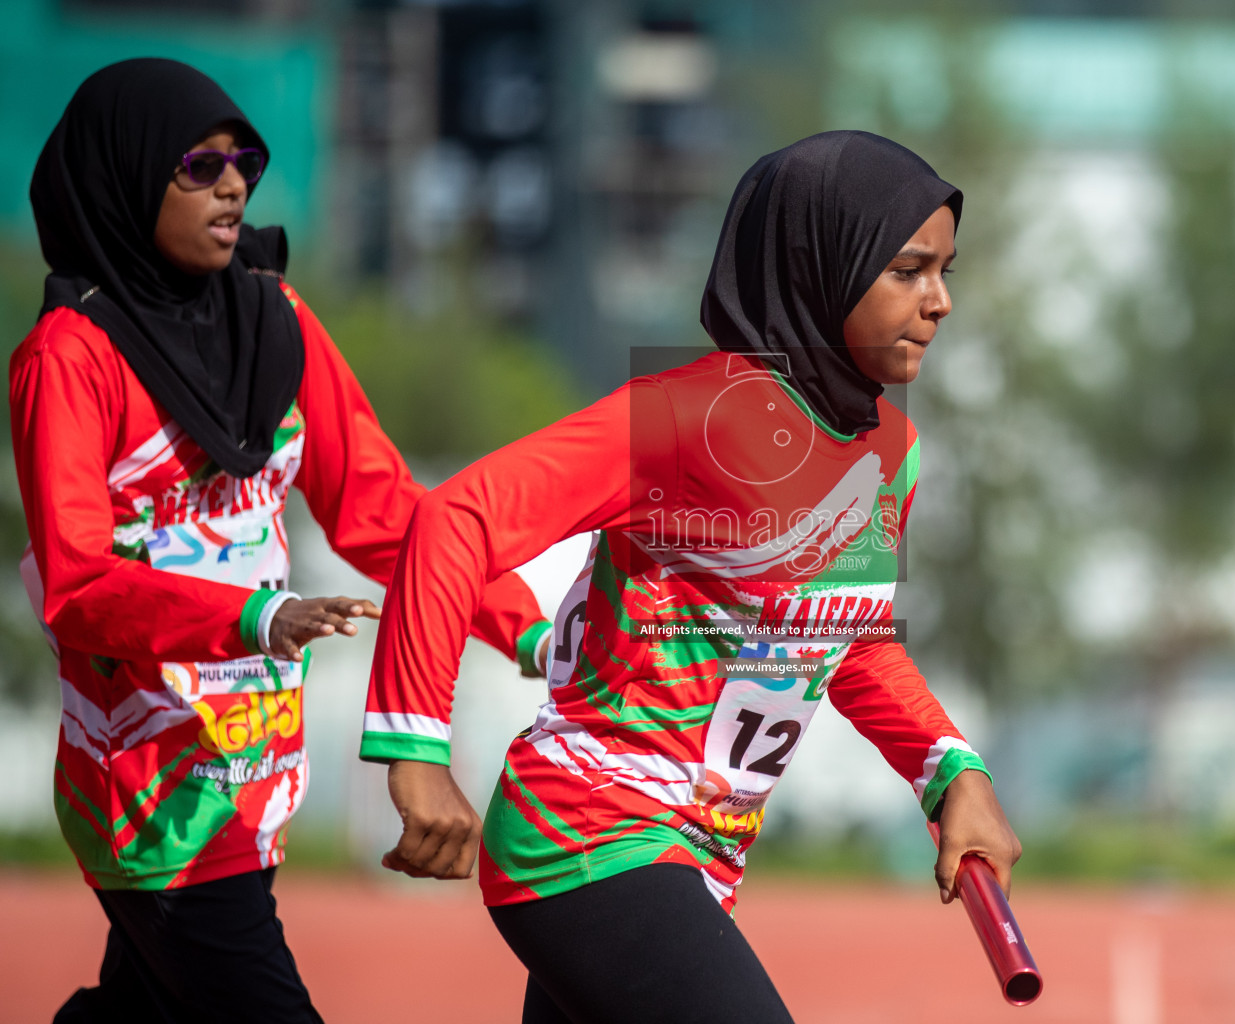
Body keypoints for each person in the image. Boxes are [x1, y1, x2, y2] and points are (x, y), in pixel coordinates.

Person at [364, 130, 1022, 1023]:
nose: (940, 302)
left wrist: (952, 773)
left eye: (947, 271)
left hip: (701, 853)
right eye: (908, 270)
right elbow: (457, 519)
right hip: (589, 832)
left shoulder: (891, 450)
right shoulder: (685, 418)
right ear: (818, 265)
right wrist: (414, 753)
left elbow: (843, 640)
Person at [13, 59, 552, 1023]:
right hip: (153, 794)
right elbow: (77, 585)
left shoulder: (277, 321)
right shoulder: (70, 358)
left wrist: (536, 634)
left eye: (245, 163)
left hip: (255, 765)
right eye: (199, 164)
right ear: (127, 176)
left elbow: (387, 515)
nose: (234, 185)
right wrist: (256, 617)